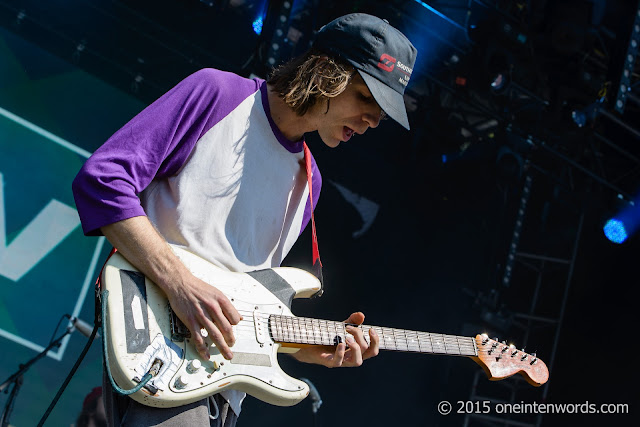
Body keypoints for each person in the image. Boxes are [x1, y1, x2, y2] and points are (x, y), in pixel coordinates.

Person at [72, 12, 417, 427]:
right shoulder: (217, 94)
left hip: (227, 389)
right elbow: (103, 180)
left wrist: (303, 348)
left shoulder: (309, 182)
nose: (374, 121)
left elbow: (246, 302)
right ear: (329, 73)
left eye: (381, 113)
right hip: (161, 355)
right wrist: (179, 283)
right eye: (367, 99)